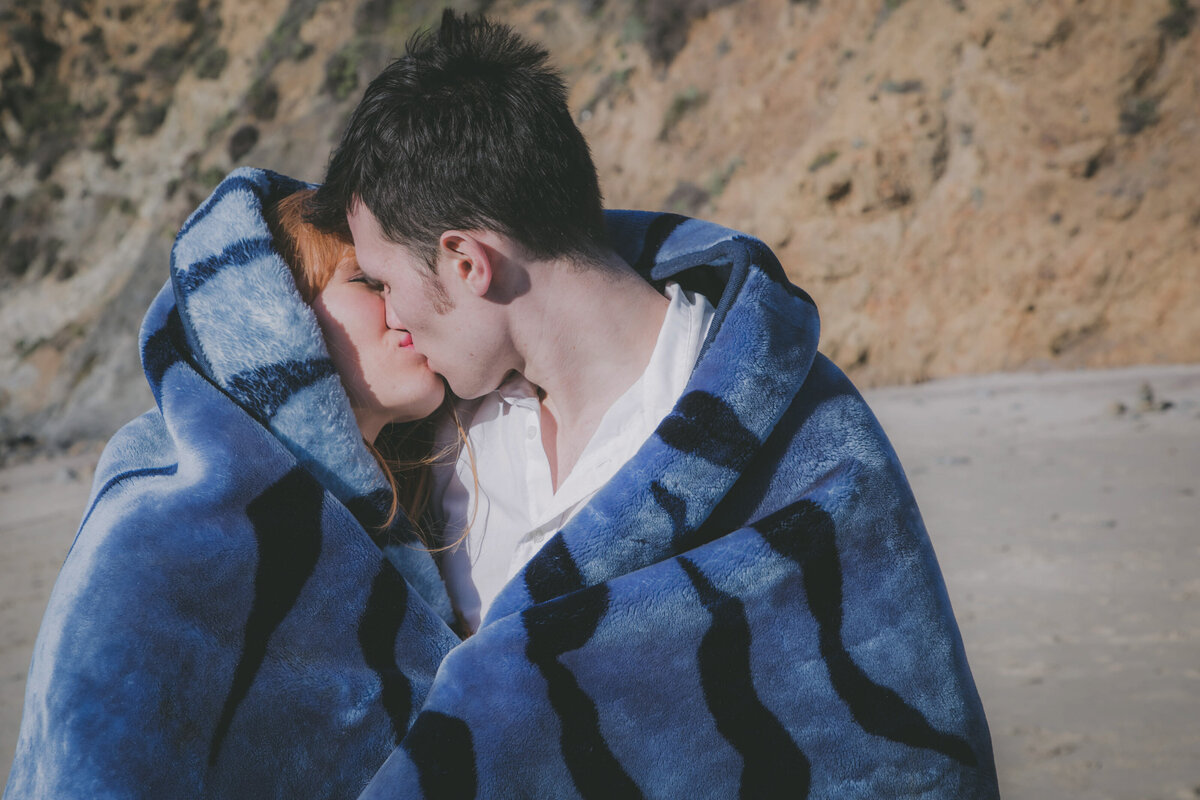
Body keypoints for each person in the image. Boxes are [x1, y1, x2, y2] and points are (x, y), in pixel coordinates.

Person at [310, 10, 1001, 799]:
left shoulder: (801, 438)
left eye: (386, 282)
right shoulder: (443, 432)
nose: (389, 317)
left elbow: (905, 759)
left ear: (467, 261)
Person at [4, 168, 462, 799]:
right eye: (367, 281)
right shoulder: (166, 528)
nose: (403, 302)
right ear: (276, 318)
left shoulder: (414, 495)